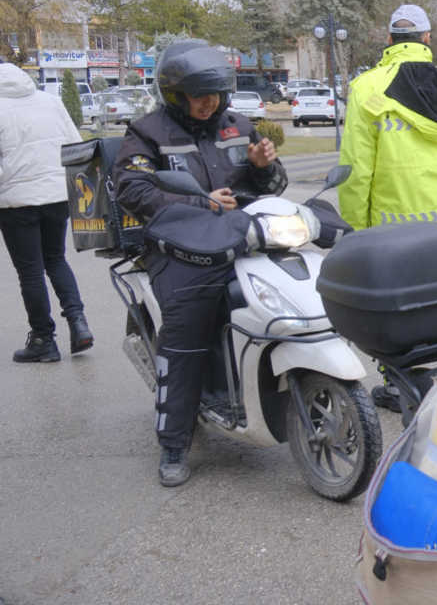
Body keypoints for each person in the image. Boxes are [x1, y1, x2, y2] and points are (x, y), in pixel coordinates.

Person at [112, 39, 287, 487]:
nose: (209, 103)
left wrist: (263, 167)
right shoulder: (148, 133)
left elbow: (270, 186)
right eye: (199, 95)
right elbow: (133, 189)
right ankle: (174, 439)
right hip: (178, 246)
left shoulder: (238, 126)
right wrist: (197, 200)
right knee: (188, 326)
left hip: (238, 237)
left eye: (215, 94)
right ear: (174, 94)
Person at [338, 3, 437, 412]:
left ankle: (397, 389)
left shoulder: (366, 88)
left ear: (390, 41)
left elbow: (356, 170)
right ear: (427, 39)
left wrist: (354, 227)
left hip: (393, 228)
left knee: (397, 311)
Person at [0, 63, 94, 362]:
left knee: (30, 271)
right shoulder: (51, 102)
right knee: (55, 258)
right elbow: (75, 146)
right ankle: (78, 323)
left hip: (16, 202)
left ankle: (43, 339)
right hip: (57, 196)